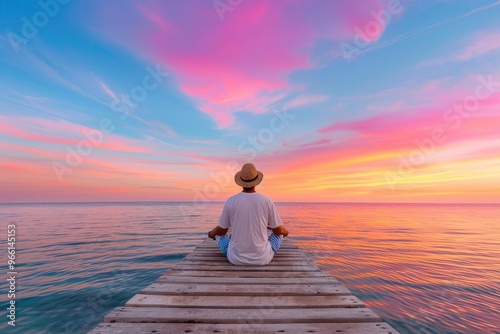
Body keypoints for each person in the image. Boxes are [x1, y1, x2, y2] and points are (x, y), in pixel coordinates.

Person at [208, 163, 289, 265]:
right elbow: (278, 230)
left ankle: (226, 239)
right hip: (263, 258)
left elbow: (221, 230)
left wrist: (211, 234)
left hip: (235, 259)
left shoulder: (231, 201)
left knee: (219, 236)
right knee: (279, 235)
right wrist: (285, 232)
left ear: (241, 182)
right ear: (256, 181)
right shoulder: (266, 201)